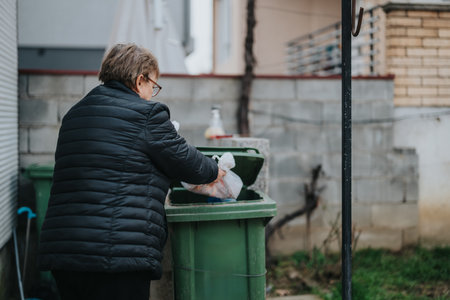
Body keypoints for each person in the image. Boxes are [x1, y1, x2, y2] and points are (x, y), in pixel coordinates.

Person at [38, 43, 225, 300]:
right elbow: (187, 162)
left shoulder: (74, 114)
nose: (152, 94)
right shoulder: (146, 114)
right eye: (153, 86)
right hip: (116, 257)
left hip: (64, 253)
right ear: (140, 81)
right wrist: (214, 170)